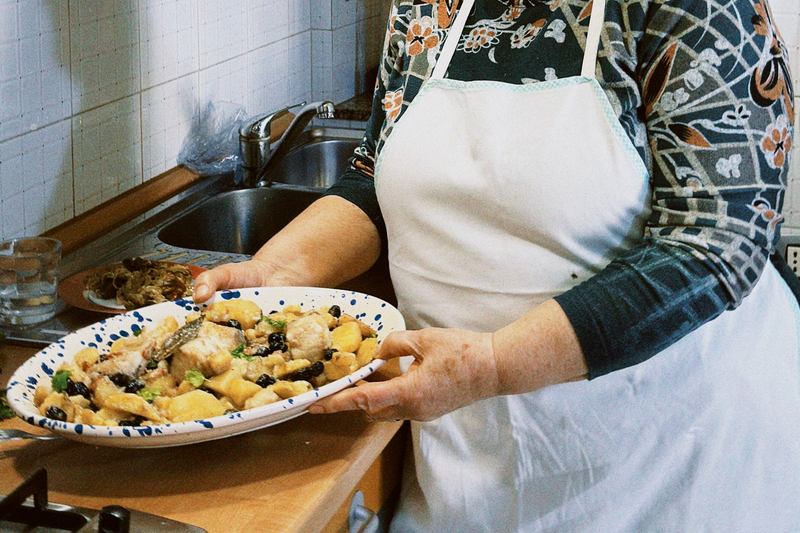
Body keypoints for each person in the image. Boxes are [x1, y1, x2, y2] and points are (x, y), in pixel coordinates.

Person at [194, 0, 800, 530]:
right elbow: (378, 178)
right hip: (470, 447)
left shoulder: (695, 6)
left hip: (667, 453)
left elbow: (717, 242)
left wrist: (493, 363)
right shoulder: (426, 7)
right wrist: (274, 272)